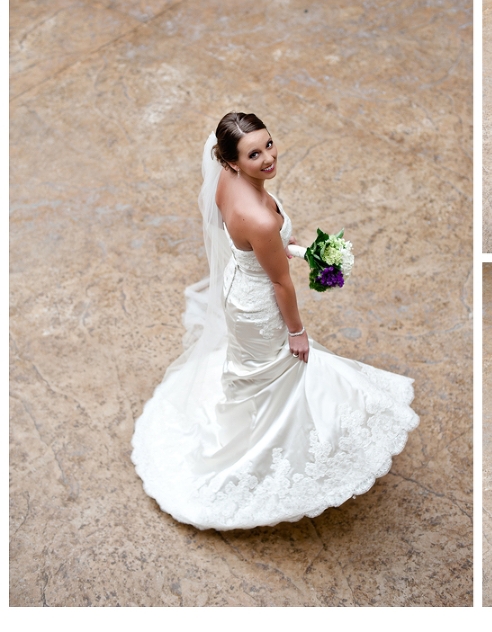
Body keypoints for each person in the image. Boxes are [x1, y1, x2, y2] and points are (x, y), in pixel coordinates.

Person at [131, 112, 419, 531]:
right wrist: (297, 332)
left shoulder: (225, 182)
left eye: (268, 144)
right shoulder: (262, 219)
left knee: (257, 373)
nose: (268, 157)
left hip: (239, 287)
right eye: (254, 153)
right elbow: (281, 284)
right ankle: (267, 453)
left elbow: (256, 247)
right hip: (261, 307)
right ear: (231, 161)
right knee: (287, 369)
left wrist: (296, 248)